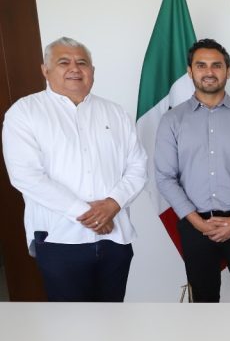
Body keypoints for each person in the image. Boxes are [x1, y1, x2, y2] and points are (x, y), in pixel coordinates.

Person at [2, 37, 147, 301]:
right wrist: (88, 214)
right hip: (59, 240)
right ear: (45, 70)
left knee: (113, 317)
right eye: (63, 62)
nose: (74, 68)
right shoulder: (24, 112)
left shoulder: (115, 112)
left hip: (115, 237)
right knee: (70, 322)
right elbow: (26, 176)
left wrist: (112, 204)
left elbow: (137, 166)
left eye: (82, 62)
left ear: (92, 70)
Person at [155, 38, 230, 303]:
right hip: (194, 224)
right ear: (190, 71)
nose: (209, 72)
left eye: (216, 65)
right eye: (201, 65)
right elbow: (165, 176)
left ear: (228, 71)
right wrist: (199, 224)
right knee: (203, 301)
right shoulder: (172, 120)